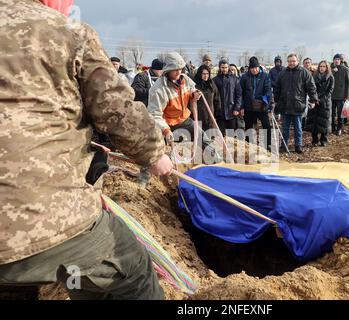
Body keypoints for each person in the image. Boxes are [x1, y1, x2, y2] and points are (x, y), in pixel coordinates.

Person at [0, 0, 173, 300]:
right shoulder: (66, 32)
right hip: (36, 216)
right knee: (131, 270)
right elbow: (118, 110)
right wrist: (155, 155)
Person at [273, 53, 318, 154]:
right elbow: (277, 88)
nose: (292, 63)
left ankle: (298, 146)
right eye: (290, 61)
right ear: (287, 62)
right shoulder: (282, 73)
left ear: (297, 61)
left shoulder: (304, 72)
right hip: (285, 105)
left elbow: (311, 87)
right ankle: (284, 145)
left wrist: (313, 99)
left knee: (298, 128)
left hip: (298, 105)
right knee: (285, 128)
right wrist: (276, 101)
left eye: (293, 61)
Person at [240, 57, 273, 150]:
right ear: (249, 68)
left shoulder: (265, 76)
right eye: (252, 68)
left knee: (266, 125)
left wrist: (265, 100)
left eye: (256, 68)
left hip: (261, 106)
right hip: (249, 106)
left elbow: (268, 90)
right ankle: (249, 146)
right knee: (249, 126)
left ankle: (268, 145)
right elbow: (240, 92)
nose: (254, 70)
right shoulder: (244, 77)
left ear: (259, 67)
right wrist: (242, 106)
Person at [306, 61, 335, 147]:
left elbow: (330, 91)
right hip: (314, 101)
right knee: (314, 121)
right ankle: (314, 140)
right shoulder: (314, 76)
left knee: (324, 122)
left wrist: (321, 100)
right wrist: (315, 99)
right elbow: (311, 88)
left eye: (324, 66)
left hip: (325, 102)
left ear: (327, 68)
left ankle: (324, 139)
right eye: (321, 66)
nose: (322, 68)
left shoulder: (330, 77)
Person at [213, 59, 243, 135]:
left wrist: (237, 108)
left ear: (228, 67)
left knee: (231, 135)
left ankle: (230, 146)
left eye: (226, 67)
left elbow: (239, 95)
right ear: (219, 68)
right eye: (222, 67)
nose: (224, 69)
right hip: (220, 112)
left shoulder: (234, 79)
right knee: (220, 135)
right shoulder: (215, 80)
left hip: (231, 111)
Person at [193, 65, 221, 132]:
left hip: (210, 115)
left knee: (210, 136)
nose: (206, 76)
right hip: (198, 115)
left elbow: (216, 99)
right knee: (200, 137)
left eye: (207, 74)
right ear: (200, 74)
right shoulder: (194, 84)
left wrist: (218, 113)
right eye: (204, 74)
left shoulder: (211, 84)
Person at [331, 54, 349, 136]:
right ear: (333, 60)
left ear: (340, 60)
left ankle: (339, 128)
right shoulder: (330, 69)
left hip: (341, 95)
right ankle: (332, 127)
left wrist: (347, 95)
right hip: (331, 95)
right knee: (331, 112)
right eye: (335, 59)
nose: (336, 61)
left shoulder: (345, 69)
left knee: (340, 113)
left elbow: (348, 83)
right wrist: (332, 72)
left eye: (338, 59)